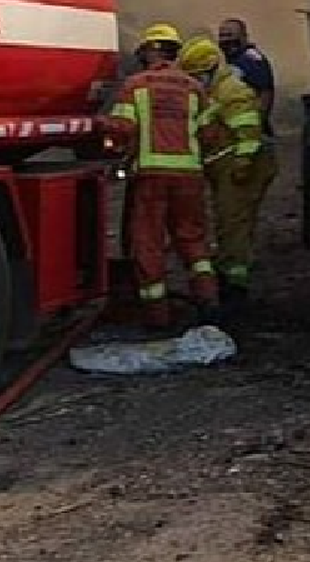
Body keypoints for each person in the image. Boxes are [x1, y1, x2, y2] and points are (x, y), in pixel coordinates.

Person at [108, 23, 219, 329]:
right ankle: (208, 301)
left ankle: (157, 316)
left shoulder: (136, 85)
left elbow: (121, 130)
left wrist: (106, 135)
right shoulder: (194, 88)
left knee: (148, 242)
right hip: (190, 178)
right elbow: (210, 134)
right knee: (194, 241)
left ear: (151, 50)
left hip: (150, 177)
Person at [180, 36, 277, 306]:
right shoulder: (215, 92)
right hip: (229, 167)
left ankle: (235, 287)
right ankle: (229, 272)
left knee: (234, 225)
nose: (195, 81)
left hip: (243, 167)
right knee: (228, 223)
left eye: (197, 75)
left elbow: (248, 129)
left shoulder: (231, 91)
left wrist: (242, 163)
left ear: (210, 69)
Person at [217, 18, 275, 125]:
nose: (225, 40)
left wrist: (260, 121)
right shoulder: (226, 59)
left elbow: (265, 92)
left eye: (230, 35)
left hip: (248, 124)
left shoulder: (252, 59)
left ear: (244, 37)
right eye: (222, 36)